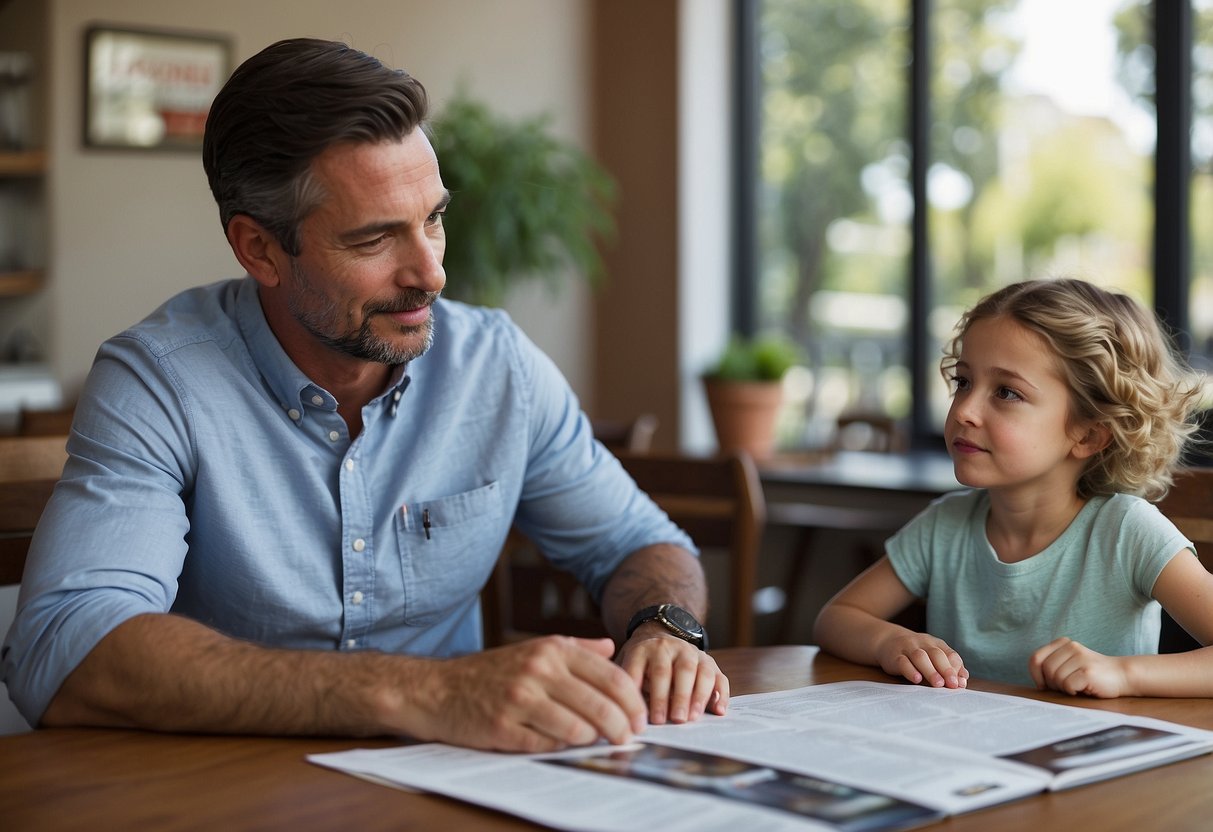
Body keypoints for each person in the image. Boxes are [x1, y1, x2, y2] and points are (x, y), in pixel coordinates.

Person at [1, 38, 728, 750]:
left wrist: (665, 627)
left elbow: (641, 543)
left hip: (456, 788)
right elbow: (65, 651)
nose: (431, 274)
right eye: (374, 239)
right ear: (259, 249)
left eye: (433, 219)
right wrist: (429, 693)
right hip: (227, 795)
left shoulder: (495, 365)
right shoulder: (159, 381)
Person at [813, 277, 1213, 697]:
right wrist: (888, 641)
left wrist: (1124, 674)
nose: (964, 410)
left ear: (1089, 435)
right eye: (963, 382)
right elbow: (837, 616)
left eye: (1006, 392)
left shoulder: (1127, 531)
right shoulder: (945, 525)